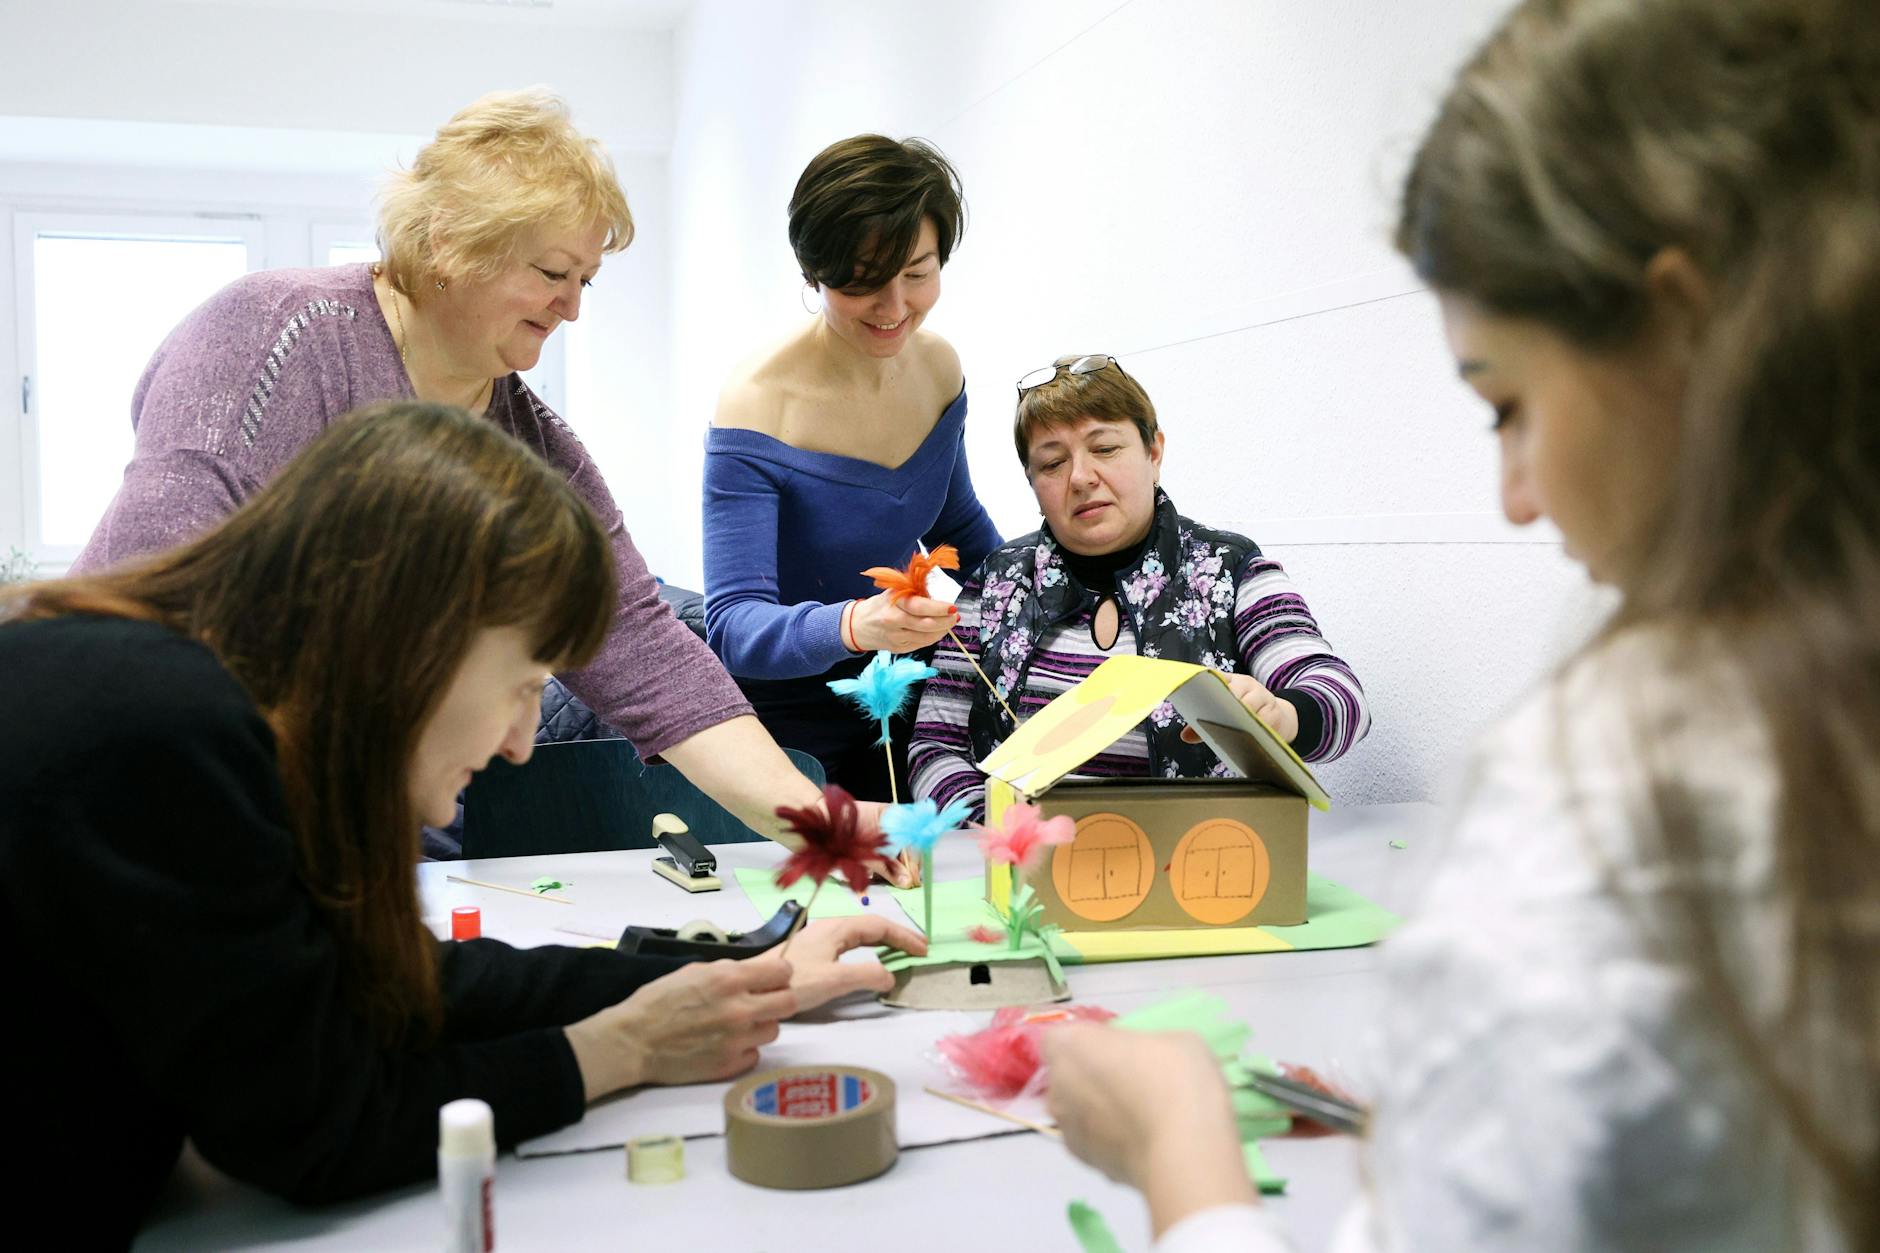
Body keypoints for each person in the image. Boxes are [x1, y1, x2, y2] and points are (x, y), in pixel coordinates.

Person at [1043, 0, 1880, 1248]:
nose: (1514, 493)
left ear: (1687, 334)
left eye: (1506, 402)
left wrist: (1181, 1153)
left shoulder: (1610, 793)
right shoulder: (998, 590)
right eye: (1049, 461)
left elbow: (1325, 694)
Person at [0, 403, 925, 1248]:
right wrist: (624, 1048)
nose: (524, 741)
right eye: (526, 683)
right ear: (414, 634)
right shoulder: (160, 729)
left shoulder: (194, 702)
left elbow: (383, 986)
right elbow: (313, 1124)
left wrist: (728, 972)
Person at [72, 87, 838, 857]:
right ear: (448, 241)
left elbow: (647, 651)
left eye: (586, 280)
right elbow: (157, 602)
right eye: (550, 271)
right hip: (117, 765)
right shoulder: (274, 336)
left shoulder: (535, 449)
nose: (572, 307)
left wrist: (826, 828)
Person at [909, 355, 1368, 820]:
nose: (1082, 478)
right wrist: (997, 830)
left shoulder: (1229, 570)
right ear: (1032, 481)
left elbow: (1342, 700)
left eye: (1105, 449)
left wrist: (1282, 716)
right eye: (1052, 462)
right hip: (1022, 869)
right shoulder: (995, 584)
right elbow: (933, 746)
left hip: (1195, 863)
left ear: (1154, 453)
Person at [705, 134, 1001, 805]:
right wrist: (852, 625)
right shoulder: (758, 402)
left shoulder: (938, 370)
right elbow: (733, 624)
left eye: (919, 274)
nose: (895, 307)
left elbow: (960, 528)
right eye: (864, 282)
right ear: (815, 273)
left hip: (901, 701)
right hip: (781, 727)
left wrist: (1056, 604)